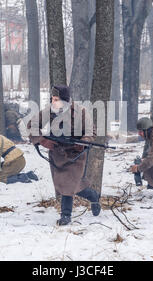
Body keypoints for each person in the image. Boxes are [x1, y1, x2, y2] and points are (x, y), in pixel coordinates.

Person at [27, 85, 101, 226]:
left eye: (57, 99)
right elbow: (32, 125)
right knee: (67, 184)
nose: (53, 102)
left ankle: (66, 215)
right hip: (57, 153)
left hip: (75, 154)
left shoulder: (81, 112)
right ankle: (92, 195)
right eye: (52, 99)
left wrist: (83, 142)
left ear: (66, 100)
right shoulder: (50, 110)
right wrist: (42, 140)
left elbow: (91, 132)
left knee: (68, 183)